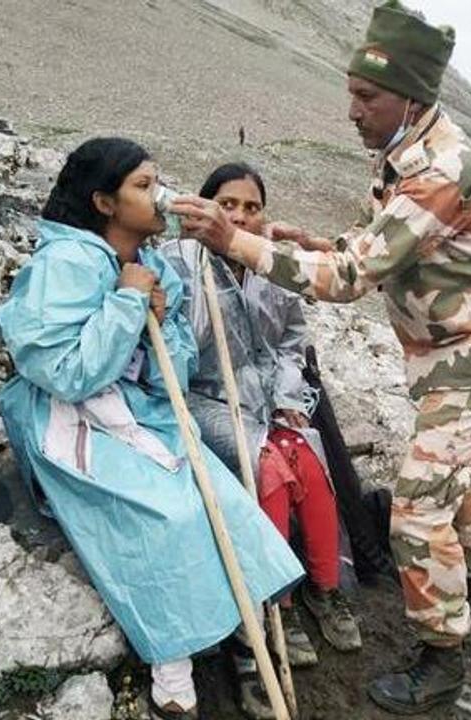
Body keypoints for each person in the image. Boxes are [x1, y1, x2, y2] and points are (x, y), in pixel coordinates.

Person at [173, 2, 471, 713]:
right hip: (459, 348)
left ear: (410, 96)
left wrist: (235, 241)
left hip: (470, 353)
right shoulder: (403, 154)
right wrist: (314, 240)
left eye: (366, 97)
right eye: (352, 93)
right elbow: (367, 244)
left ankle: (444, 657)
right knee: (469, 472)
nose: (352, 110)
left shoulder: (442, 168)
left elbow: (347, 281)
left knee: (420, 509)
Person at [0, 137, 303, 720]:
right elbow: (64, 374)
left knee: (222, 500)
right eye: (143, 186)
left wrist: (161, 319)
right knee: (169, 514)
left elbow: (175, 374)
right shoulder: (61, 265)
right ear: (104, 201)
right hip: (68, 421)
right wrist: (124, 307)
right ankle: (173, 658)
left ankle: (242, 626)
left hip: (140, 412)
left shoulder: (157, 266)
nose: (160, 196)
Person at [160, 163, 361, 718]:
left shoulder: (271, 266)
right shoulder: (181, 264)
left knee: (308, 460)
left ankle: (323, 588)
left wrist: (290, 401)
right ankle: (273, 609)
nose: (241, 216)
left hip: (269, 398)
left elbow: (293, 343)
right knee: (269, 469)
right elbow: (180, 356)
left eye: (252, 207)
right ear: (206, 207)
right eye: (228, 204)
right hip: (209, 400)